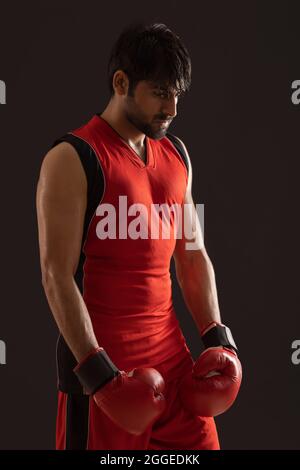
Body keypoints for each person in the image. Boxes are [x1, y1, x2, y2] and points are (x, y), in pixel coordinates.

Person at [36, 22, 242, 451]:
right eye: (160, 92)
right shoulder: (73, 159)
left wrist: (218, 337)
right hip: (106, 377)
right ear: (121, 83)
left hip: (174, 371)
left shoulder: (177, 156)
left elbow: (192, 254)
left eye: (177, 94)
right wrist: (100, 378)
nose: (172, 108)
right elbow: (56, 275)